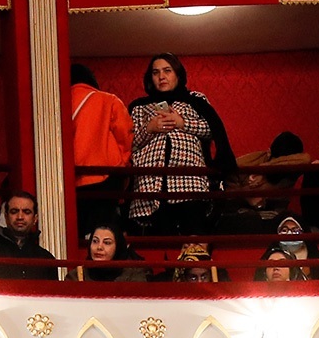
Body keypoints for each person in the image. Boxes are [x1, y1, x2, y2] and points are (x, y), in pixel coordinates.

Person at [127, 53, 237, 235]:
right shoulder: (139, 107)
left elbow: (213, 130)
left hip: (190, 185)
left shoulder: (196, 100)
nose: (161, 76)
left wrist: (182, 123)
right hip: (149, 188)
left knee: (193, 244)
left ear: (178, 74)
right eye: (155, 72)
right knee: (155, 246)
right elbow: (129, 144)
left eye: (167, 71)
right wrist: (149, 128)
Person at [70, 63, 134, 233]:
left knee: (78, 230)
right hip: (105, 175)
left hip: (71, 178)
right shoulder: (108, 100)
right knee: (104, 230)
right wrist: (123, 163)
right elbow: (125, 134)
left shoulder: (58, 104)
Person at [0, 190, 58, 280]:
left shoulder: (46, 259)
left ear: (35, 219)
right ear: (6, 217)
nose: (20, 217)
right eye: (14, 211)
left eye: (26, 212)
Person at [77, 224, 146, 282]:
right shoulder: (78, 275)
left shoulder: (133, 275)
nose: (99, 247)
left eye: (107, 243)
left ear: (118, 247)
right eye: (95, 241)